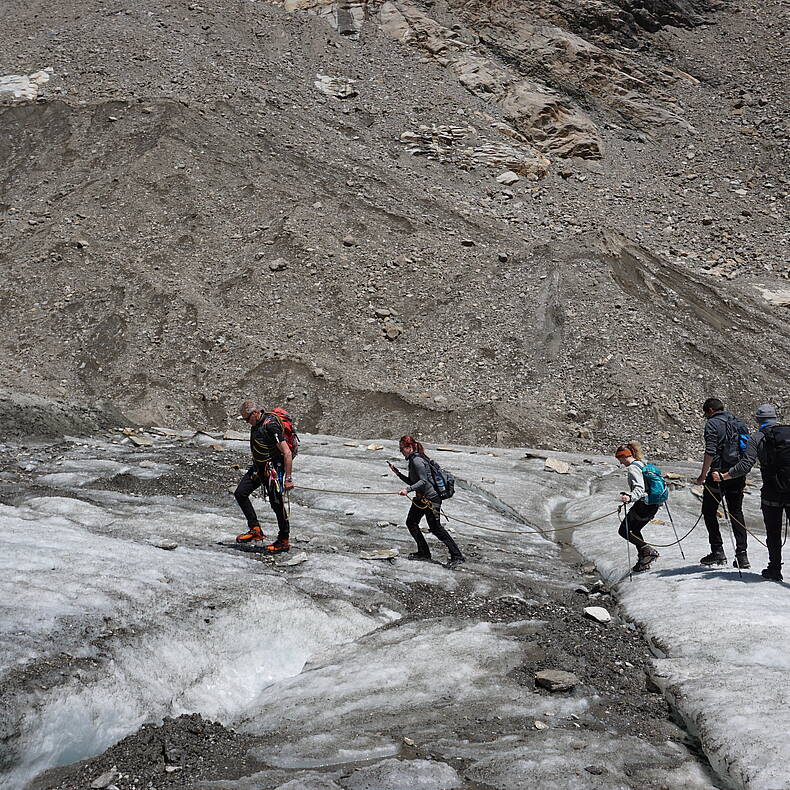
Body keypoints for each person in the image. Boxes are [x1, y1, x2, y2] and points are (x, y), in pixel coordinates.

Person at [713, 404, 790, 582]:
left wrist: (725, 476)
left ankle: (774, 569)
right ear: (775, 418)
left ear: (758, 420)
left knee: (773, 531)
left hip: (771, 491)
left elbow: (745, 465)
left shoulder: (757, 437)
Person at [388, 435, 465, 569]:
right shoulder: (414, 460)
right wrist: (398, 474)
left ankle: (457, 556)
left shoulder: (417, 461)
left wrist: (407, 490)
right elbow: (415, 482)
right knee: (411, 522)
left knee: (435, 528)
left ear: (410, 447)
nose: (401, 451)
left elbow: (423, 481)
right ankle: (424, 552)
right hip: (421, 498)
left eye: (402, 448)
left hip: (430, 499)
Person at [234, 400, 294, 553]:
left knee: (276, 503)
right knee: (241, 493)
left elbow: (286, 452)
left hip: (272, 469)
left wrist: (288, 479)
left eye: (248, 419)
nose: (247, 423)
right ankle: (255, 530)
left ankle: (283, 540)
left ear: (255, 413)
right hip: (259, 467)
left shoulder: (270, 426)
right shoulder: (256, 424)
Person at [695, 397, 749, 568]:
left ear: (710, 410)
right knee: (736, 512)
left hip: (718, 474)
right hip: (737, 474)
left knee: (709, 511)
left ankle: (717, 551)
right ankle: (742, 555)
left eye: (705, 413)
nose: (705, 416)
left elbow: (710, 451)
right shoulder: (739, 423)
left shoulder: (712, 424)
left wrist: (703, 475)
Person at [614, 443, 660, 572]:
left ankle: (648, 551)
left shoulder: (633, 468)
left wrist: (629, 497)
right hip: (652, 504)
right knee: (635, 530)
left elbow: (639, 488)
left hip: (643, 505)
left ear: (623, 456)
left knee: (624, 530)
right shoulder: (642, 463)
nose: (620, 463)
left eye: (619, 459)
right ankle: (643, 559)